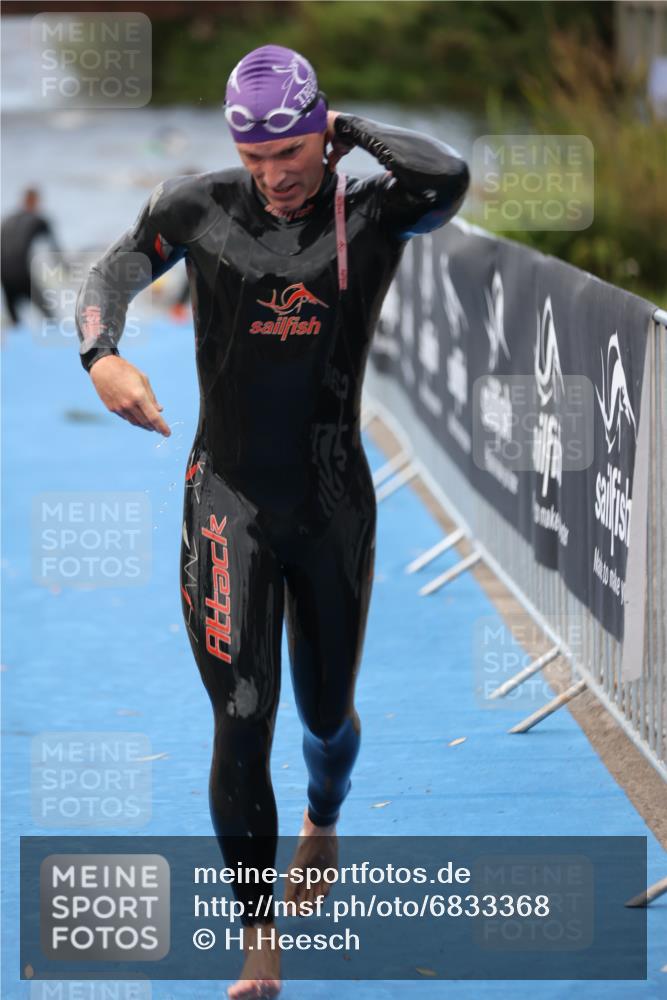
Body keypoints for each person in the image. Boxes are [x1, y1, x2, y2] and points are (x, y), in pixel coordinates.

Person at [75, 44, 469, 999]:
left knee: (325, 716)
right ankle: (258, 937)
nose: (273, 178)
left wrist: (344, 133)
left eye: (289, 153)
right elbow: (107, 279)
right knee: (241, 715)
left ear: (321, 134)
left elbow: (447, 176)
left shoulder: (372, 212)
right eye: (254, 160)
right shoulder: (197, 209)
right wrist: (102, 358)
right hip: (230, 501)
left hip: (333, 502)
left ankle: (323, 815)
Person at [1, 187, 62, 326]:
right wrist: (66, 270)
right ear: (36, 201)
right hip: (23, 275)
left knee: (14, 322)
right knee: (50, 317)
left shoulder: (7, 220)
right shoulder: (39, 220)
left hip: (4, 276)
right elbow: (56, 251)